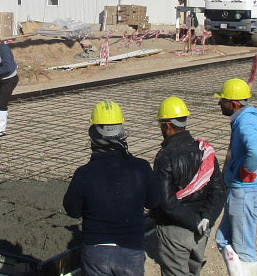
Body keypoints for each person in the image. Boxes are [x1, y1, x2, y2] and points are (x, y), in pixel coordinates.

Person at [63, 101, 161, 276]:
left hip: (96, 252)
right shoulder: (141, 168)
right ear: (121, 133)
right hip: (131, 251)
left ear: (94, 135)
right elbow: (154, 201)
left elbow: (72, 210)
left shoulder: (84, 173)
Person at [152, 96, 226, 276]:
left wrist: (194, 221)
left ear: (168, 125)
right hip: (200, 231)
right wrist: (206, 219)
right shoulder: (204, 151)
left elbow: (166, 201)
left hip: (175, 230)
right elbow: (219, 190)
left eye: (161, 124)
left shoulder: (165, 157)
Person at [214, 78, 257, 276]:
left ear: (234, 104)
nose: (220, 103)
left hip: (246, 193)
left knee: (244, 249)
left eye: (223, 100)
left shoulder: (246, 123)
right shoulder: (244, 120)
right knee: (222, 239)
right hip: (240, 192)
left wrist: (246, 170)